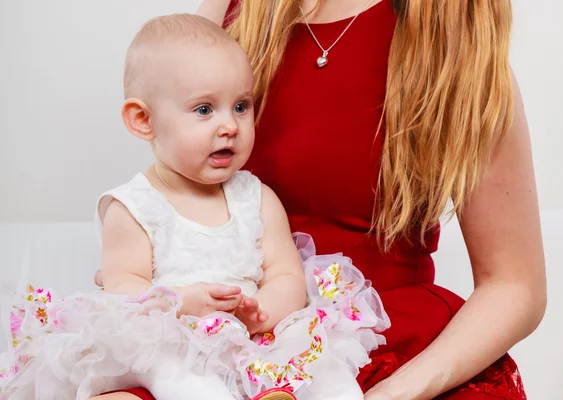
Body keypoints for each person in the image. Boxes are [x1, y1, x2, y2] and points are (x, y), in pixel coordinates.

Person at [97, 0, 548, 399]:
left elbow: (514, 285)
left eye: (241, 107)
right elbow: (174, 171)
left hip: (393, 345)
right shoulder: (234, 12)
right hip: (228, 338)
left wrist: (397, 391)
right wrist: (143, 282)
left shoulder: (458, 42)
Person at [0, 14, 391, 400]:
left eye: (241, 106)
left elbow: (286, 272)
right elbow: (122, 290)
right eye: (204, 110)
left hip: (253, 335)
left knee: (325, 366)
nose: (230, 126)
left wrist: (262, 312)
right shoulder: (134, 208)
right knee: (180, 377)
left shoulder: (256, 198)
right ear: (143, 121)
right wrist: (183, 303)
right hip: (175, 338)